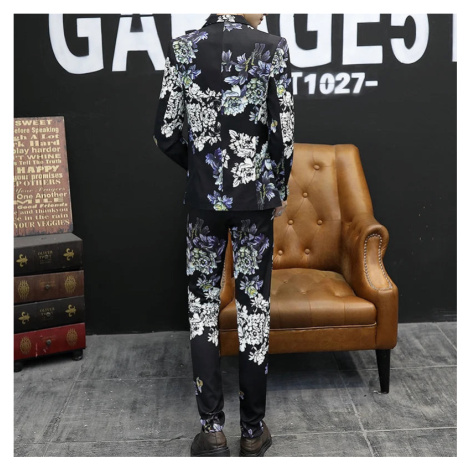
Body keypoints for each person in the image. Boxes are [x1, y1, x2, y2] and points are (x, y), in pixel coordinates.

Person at [153, 13, 294, 457]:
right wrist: (277, 185)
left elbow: (165, 133)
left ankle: (211, 431)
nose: (266, 12)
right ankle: (252, 432)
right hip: (255, 201)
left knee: (202, 312)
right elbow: (284, 135)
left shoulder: (183, 47)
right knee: (254, 313)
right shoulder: (272, 47)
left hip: (203, 202)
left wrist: (201, 170)